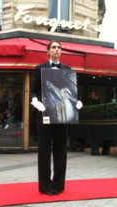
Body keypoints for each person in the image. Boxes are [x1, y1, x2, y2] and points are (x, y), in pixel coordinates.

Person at [30, 40, 82, 196]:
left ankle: (59, 185)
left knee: (61, 150)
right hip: (45, 114)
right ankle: (45, 186)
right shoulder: (40, 69)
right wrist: (35, 101)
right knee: (44, 151)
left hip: (63, 116)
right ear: (48, 51)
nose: (57, 49)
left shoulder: (67, 69)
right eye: (53, 47)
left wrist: (77, 101)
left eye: (59, 47)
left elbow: (71, 92)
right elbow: (33, 91)